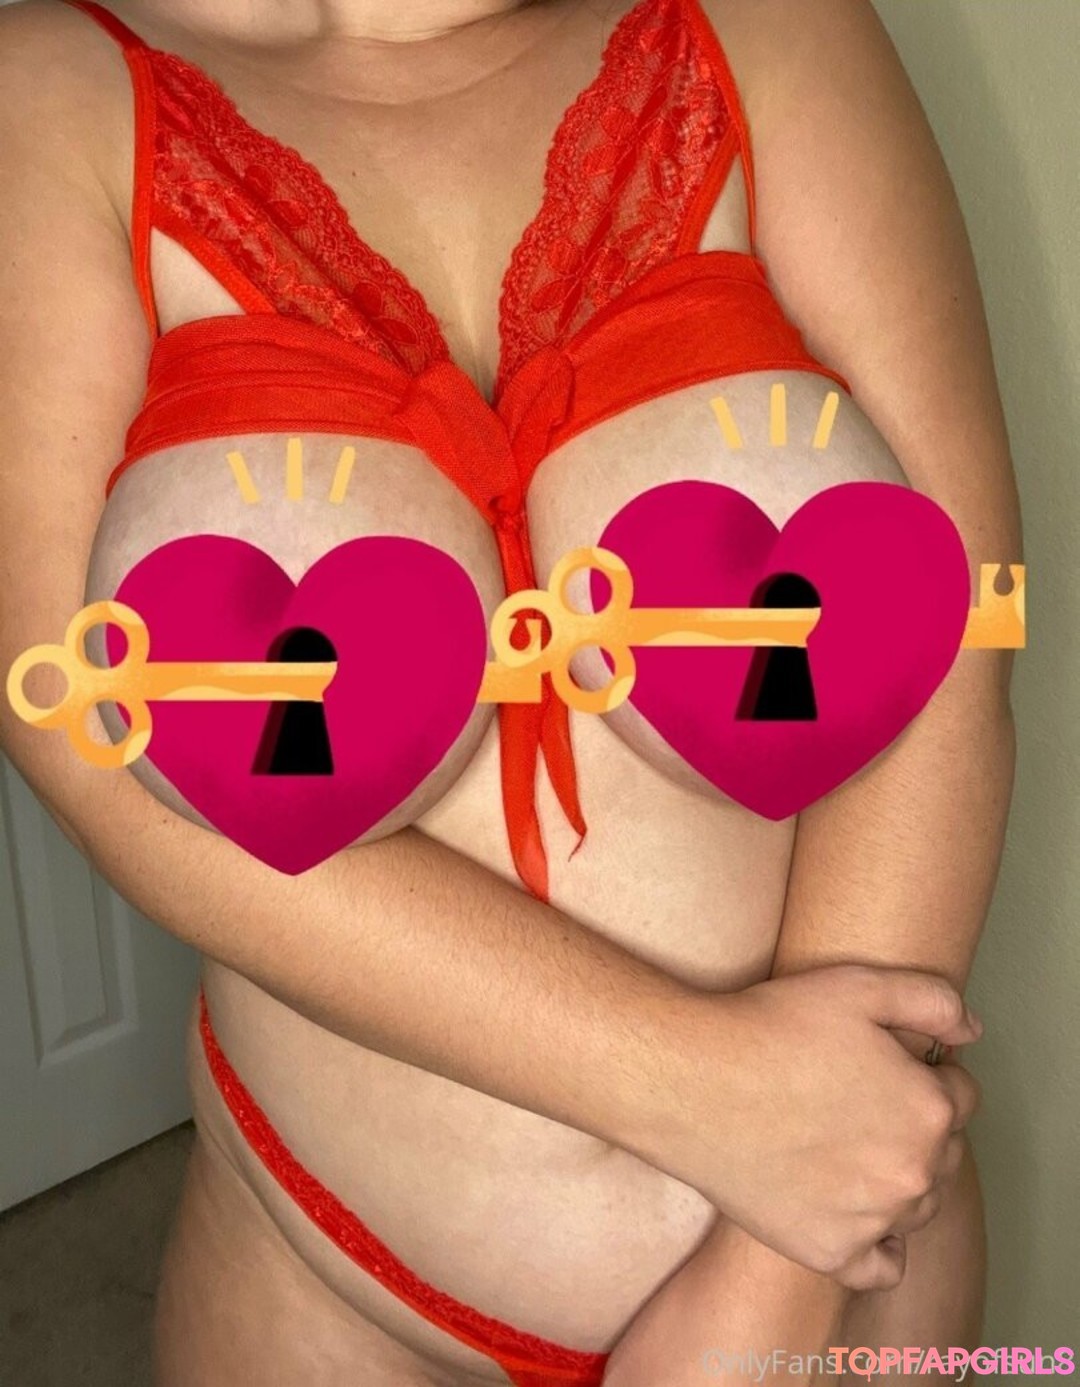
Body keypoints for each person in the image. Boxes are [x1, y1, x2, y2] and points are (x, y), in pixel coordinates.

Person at [0, 0, 1020, 1383]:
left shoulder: (769, 25)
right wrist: (708, 1094)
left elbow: (962, 628)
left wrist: (769, 1287)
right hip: (331, 1290)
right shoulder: (44, 92)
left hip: (848, 1265)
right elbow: (79, 746)